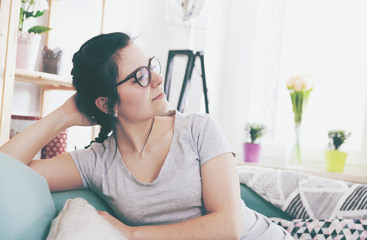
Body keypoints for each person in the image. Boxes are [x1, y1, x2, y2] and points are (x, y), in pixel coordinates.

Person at [0, 32, 292, 240]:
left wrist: (132, 234)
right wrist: (63, 115)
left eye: (151, 67)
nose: (158, 79)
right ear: (107, 103)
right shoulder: (98, 163)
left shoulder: (198, 129)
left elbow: (229, 227)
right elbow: (6, 170)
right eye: (140, 76)